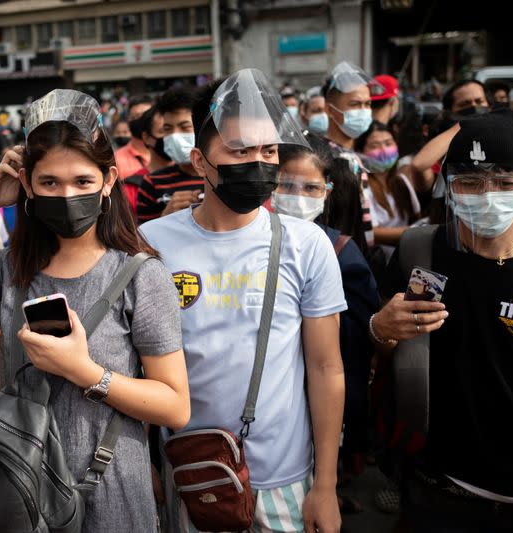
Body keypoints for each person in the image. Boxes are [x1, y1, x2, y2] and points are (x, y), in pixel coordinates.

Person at [0, 88, 190, 532]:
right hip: (21, 488)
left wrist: (86, 372)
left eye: (83, 182)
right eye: (50, 182)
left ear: (108, 181)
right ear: (28, 185)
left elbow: (175, 406)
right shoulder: (12, 269)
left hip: (112, 491)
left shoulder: (140, 275)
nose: (67, 195)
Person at [141, 69, 345, 533]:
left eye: (268, 150)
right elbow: (139, 364)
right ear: (200, 161)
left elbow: (326, 367)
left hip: (284, 480)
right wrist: (147, 464)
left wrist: (326, 486)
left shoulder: (306, 243)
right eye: (239, 151)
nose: (258, 162)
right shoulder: (150, 243)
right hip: (191, 474)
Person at [371, 110, 513, 532]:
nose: (488, 196)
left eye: (506, 183)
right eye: (471, 184)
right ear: (450, 189)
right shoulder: (421, 252)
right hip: (441, 487)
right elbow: (382, 352)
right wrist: (380, 330)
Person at [275, 132, 380, 513]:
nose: (296, 195)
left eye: (310, 187)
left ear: (327, 191)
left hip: (318, 388)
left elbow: (359, 328)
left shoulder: (338, 248)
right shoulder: (249, 240)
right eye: (285, 184)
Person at [323, 61, 381, 249]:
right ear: (330, 110)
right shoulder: (325, 157)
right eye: (355, 104)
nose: (364, 111)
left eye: (368, 104)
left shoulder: (352, 155)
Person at [137, 86, 204, 222]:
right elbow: (142, 240)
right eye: (167, 129)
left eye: (185, 127)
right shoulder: (152, 183)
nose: (175, 135)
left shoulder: (223, 177)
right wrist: (165, 218)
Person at [356, 121, 421, 260]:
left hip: (406, 257)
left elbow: (416, 217)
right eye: (375, 146)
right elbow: (371, 233)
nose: (384, 150)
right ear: (361, 152)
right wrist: (417, 233)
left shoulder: (401, 181)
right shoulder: (362, 186)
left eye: (388, 143)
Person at [114, 95, 153, 181]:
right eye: (136, 116)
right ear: (128, 120)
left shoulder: (167, 155)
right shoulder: (116, 160)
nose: (141, 120)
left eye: (146, 115)